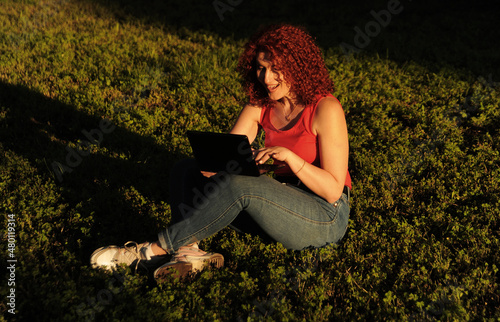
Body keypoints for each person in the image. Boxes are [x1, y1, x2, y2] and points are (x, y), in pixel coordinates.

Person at [90, 23, 352, 281]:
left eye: (276, 69)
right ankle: (188, 252)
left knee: (239, 185)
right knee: (187, 170)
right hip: (280, 205)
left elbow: (331, 191)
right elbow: (225, 157)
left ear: (297, 66)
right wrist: (233, 166)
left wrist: (291, 158)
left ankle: (150, 251)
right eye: (261, 68)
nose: (267, 78)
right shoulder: (262, 104)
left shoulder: (326, 108)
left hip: (325, 216)